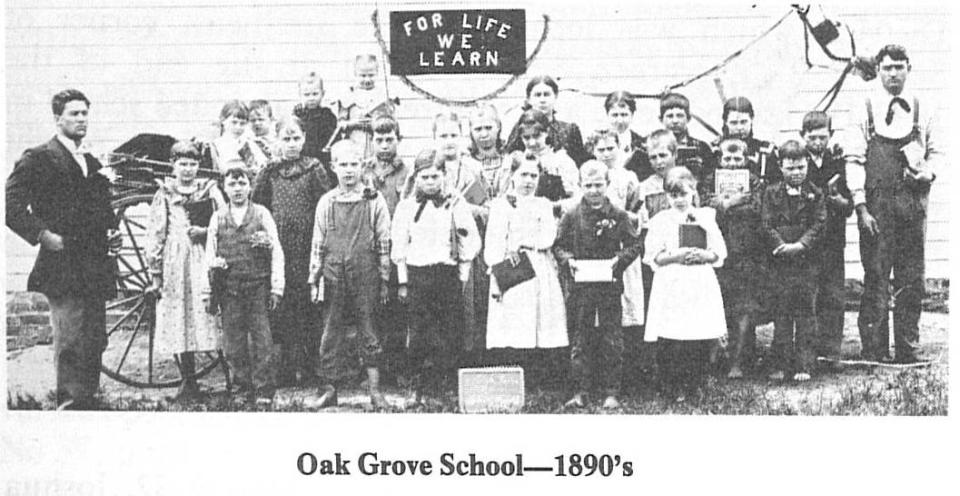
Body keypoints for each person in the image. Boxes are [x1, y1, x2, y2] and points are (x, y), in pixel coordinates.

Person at [6, 89, 120, 410]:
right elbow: (11, 206)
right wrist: (42, 234)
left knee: (95, 337)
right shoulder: (40, 157)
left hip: (95, 262)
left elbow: (101, 206)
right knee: (70, 337)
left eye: (85, 113)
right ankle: (69, 405)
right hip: (63, 261)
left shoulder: (92, 160)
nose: (81, 119)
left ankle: (89, 399)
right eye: (74, 114)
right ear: (58, 119)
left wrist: (112, 232)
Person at [844, 45, 942, 364]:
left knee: (911, 277)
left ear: (909, 68)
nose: (893, 73)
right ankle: (873, 349)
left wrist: (928, 171)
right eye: (887, 68)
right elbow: (854, 159)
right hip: (877, 207)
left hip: (912, 206)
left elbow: (939, 152)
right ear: (879, 70)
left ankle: (907, 348)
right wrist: (860, 207)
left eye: (899, 67)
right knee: (875, 275)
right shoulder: (864, 107)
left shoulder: (923, 107)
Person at [391, 149, 481, 405]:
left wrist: (462, 275)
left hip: (446, 274)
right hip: (418, 276)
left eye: (435, 176)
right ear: (416, 178)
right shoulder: (407, 207)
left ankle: (445, 387)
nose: (430, 182)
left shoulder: (455, 204)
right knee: (418, 332)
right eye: (425, 177)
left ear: (444, 176)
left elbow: (468, 240)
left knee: (449, 331)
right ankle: (416, 387)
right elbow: (400, 244)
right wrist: (404, 280)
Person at [307, 140, 392, 409]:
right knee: (331, 331)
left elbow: (384, 240)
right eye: (342, 164)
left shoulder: (373, 199)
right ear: (333, 167)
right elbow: (318, 243)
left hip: (365, 273)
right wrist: (314, 278)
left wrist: (384, 276)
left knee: (369, 329)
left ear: (362, 165)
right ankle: (330, 389)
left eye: (353, 164)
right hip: (333, 274)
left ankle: (375, 391)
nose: (348, 170)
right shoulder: (327, 202)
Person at [252, 116, 334, 387]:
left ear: (304, 139)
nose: (291, 144)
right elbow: (258, 207)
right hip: (279, 250)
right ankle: (286, 366)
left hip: (307, 248)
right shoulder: (270, 171)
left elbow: (326, 205)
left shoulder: (314, 168)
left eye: (296, 138)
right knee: (282, 308)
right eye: (285, 139)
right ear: (277, 140)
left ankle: (310, 367)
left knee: (308, 307)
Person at [554, 161, 642, 410]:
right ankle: (580, 390)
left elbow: (635, 245)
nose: (593, 190)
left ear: (608, 184)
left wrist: (619, 260)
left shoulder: (618, 214)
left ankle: (611, 390)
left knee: (611, 337)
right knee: (580, 337)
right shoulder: (571, 215)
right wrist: (568, 260)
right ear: (580, 185)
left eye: (598, 185)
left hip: (609, 286)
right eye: (588, 185)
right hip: (580, 288)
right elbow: (558, 245)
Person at [145, 141, 225, 400]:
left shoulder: (209, 190)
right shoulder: (165, 193)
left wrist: (205, 232)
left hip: (202, 257)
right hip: (175, 261)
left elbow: (223, 221)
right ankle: (187, 379)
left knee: (204, 312)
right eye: (182, 164)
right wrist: (155, 273)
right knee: (179, 315)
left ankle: (224, 372)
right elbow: (157, 233)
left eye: (192, 164)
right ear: (173, 166)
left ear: (199, 166)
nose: (188, 170)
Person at [643, 167, 727, 402]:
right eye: (673, 195)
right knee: (673, 336)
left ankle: (695, 383)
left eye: (683, 193)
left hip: (698, 282)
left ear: (693, 191)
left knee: (697, 333)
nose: (679, 200)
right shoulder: (660, 221)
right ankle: (672, 384)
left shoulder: (706, 217)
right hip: (672, 283)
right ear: (666, 196)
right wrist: (676, 256)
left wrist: (703, 255)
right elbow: (654, 257)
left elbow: (719, 252)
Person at [484, 154, 568, 382]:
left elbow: (548, 236)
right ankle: (514, 374)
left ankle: (538, 376)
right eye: (523, 175)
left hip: (539, 266)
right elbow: (493, 242)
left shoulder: (542, 204)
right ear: (512, 176)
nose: (529, 181)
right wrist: (499, 271)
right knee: (514, 320)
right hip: (513, 268)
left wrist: (526, 243)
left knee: (541, 319)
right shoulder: (502, 205)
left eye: (533, 175)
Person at [204, 166, 284, 398]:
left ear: (250, 186)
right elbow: (210, 253)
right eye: (232, 184)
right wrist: (209, 287)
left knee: (262, 340)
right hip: (229, 289)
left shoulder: (261, 214)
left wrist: (277, 287)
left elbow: (276, 250)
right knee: (234, 343)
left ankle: (264, 390)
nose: (237, 189)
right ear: (225, 188)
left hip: (258, 287)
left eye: (242, 184)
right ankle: (241, 388)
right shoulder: (218, 218)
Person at [761, 141, 827, 381]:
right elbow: (766, 223)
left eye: (800, 167)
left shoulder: (816, 193)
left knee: (806, 314)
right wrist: (780, 245)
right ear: (780, 167)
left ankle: (804, 365)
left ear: (807, 165)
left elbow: (819, 224)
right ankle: (780, 363)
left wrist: (801, 245)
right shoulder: (771, 192)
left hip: (806, 263)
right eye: (790, 168)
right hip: (780, 263)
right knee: (782, 312)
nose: (796, 172)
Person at [585, 128, 645, 389]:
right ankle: (599, 373)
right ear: (593, 152)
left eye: (611, 148)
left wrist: (626, 219)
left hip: (621, 249)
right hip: (595, 254)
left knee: (626, 307)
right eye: (601, 149)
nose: (606, 154)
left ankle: (629, 373)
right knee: (599, 313)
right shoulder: (590, 177)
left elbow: (636, 213)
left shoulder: (628, 177)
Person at [705, 138, 765, 378]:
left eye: (737, 159)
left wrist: (724, 205)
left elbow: (757, 209)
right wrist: (733, 202)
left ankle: (739, 361)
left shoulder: (755, 182)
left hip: (745, 253)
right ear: (719, 160)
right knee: (717, 305)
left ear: (746, 160)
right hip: (718, 252)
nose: (731, 164)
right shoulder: (710, 181)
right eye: (727, 159)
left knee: (743, 307)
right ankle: (714, 359)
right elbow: (705, 205)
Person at [800, 111, 853, 365]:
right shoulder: (797, 163)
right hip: (807, 240)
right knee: (809, 295)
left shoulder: (838, 163)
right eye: (812, 137)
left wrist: (838, 200)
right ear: (803, 137)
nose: (818, 143)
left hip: (833, 240)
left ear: (830, 136)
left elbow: (849, 204)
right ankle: (808, 352)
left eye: (823, 137)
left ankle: (831, 350)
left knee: (833, 296)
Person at [361, 115, 410, 383]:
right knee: (371, 310)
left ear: (398, 140)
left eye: (389, 139)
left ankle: (397, 367)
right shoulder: (364, 171)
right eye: (378, 140)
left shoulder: (407, 172)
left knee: (397, 311)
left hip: (397, 249)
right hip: (369, 250)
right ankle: (371, 368)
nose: (383, 145)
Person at [504, 75, 591, 166]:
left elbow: (580, 163)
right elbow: (510, 159)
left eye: (546, 94)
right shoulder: (520, 128)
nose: (542, 100)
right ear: (529, 99)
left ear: (555, 96)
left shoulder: (569, 131)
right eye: (537, 95)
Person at [512, 108, 580, 210]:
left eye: (536, 136)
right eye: (526, 137)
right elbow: (506, 197)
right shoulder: (516, 161)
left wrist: (551, 207)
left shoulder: (562, 161)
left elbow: (577, 198)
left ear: (547, 132)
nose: (532, 143)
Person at [716, 96, 781, 184]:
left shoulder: (766, 152)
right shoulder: (714, 151)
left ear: (752, 119)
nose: (739, 128)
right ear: (725, 122)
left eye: (744, 122)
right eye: (733, 123)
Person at [658, 92, 718, 188]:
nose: (675, 121)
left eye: (680, 116)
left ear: (688, 119)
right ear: (661, 119)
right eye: (670, 116)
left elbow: (710, 180)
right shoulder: (651, 148)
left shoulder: (702, 148)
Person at [209, 100, 269, 176]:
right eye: (234, 122)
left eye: (242, 123)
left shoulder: (249, 144)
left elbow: (263, 165)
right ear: (223, 121)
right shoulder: (216, 145)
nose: (238, 127)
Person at [293, 71, 339, 169]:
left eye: (315, 94)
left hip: (323, 157)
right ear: (300, 94)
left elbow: (334, 137)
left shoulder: (327, 115)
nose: (311, 98)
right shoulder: (299, 114)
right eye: (307, 95)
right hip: (303, 157)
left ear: (322, 94)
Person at [603, 91, 652, 182]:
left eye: (624, 115)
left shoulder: (641, 144)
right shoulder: (599, 143)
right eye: (615, 115)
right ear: (607, 115)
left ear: (632, 115)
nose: (620, 120)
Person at [468, 103, 512, 199]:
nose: (484, 134)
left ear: (498, 127)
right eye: (478, 129)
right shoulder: (466, 163)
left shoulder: (510, 159)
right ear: (471, 131)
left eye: (488, 128)